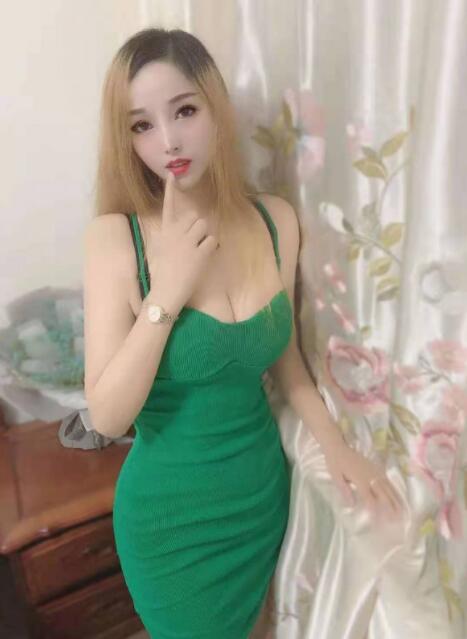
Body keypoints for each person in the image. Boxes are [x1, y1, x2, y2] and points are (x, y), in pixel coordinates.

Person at [83, 27, 403, 639]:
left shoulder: (275, 220)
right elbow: (106, 415)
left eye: (184, 110)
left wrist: (337, 447)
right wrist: (168, 291)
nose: (168, 140)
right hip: (171, 522)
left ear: (216, 107)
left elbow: (286, 362)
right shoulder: (115, 239)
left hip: (259, 498)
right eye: (141, 125)